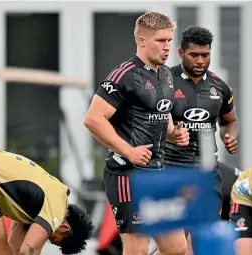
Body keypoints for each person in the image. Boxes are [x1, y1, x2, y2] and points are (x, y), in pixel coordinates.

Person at [84, 12, 189, 255]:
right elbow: (93, 119)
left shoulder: (165, 74)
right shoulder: (125, 74)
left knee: (177, 248)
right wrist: (128, 151)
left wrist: (175, 133)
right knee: (137, 250)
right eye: (160, 41)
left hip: (158, 173)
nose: (167, 47)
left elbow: (162, 112)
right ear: (142, 41)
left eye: (169, 41)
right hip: (128, 176)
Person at [163, 26, 238, 254]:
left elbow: (231, 121)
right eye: (194, 55)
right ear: (180, 52)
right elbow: (151, 119)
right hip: (171, 169)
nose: (200, 60)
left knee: (203, 239)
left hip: (207, 173)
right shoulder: (164, 81)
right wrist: (171, 132)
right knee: (176, 245)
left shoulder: (220, 87)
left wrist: (231, 137)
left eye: (205, 55)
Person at [0, 149, 94, 255]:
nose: (45, 236)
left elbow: (16, 250)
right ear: (65, 227)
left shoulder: (36, 208)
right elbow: (28, 251)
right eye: (51, 238)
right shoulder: (56, 209)